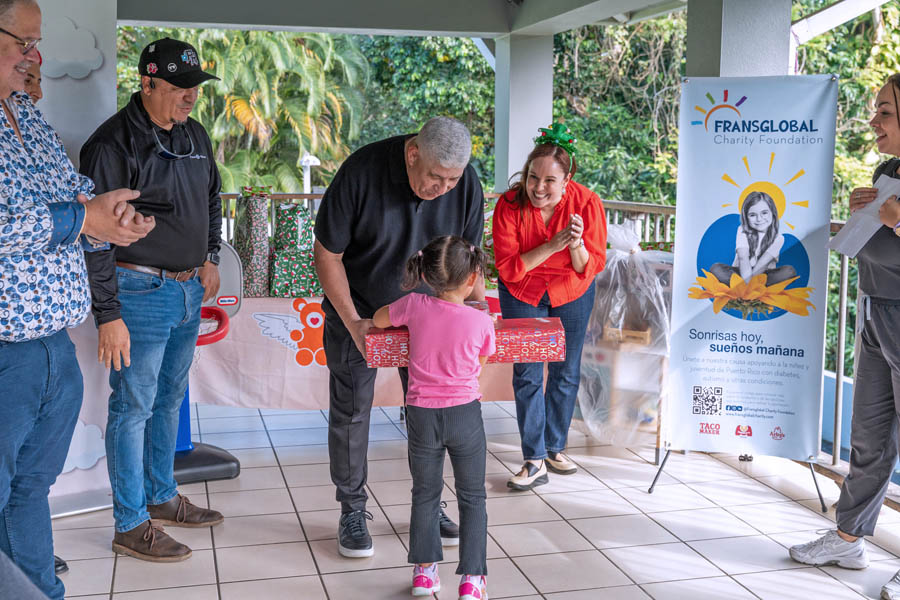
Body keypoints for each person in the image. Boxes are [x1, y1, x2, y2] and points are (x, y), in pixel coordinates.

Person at [0, 1, 155, 597]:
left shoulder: (27, 116)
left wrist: (110, 217)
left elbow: (76, 197)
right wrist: (81, 218)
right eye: (24, 43)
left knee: (29, 492)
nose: (36, 57)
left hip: (54, 349)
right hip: (6, 355)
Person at [79, 37, 225, 563]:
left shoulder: (194, 134)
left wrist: (210, 255)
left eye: (195, 87)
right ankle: (130, 523)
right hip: (137, 290)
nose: (190, 96)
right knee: (133, 406)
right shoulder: (111, 144)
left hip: (187, 287)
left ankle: (162, 496)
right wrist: (108, 313)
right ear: (147, 83)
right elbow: (95, 236)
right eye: (179, 87)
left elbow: (212, 196)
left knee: (169, 398)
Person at [314, 116, 484, 558]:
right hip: (361, 308)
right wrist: (354, 322)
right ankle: (352, 509)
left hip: (432, 318)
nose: (444, 189)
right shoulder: (362, 171)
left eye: (452, 180)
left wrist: (477, 311)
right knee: (352, 411)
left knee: (432, 413)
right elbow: (327, 254)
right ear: (413, 155)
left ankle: (430, 506)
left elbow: (470, 260)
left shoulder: (465, 184)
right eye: (436, 177)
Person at [788, 73, 900, 600]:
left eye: (885, 112)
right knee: (869, 437)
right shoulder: (888, 171)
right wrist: (867, 210)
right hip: (876, 312)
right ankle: (849, 539)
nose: (874, 121)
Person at [373, 236, 493, 600]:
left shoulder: (413, 305)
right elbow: (480, 362)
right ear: (471, 278)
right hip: (465, 414)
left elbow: (378, 319)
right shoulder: (481, 320)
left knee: (425, 493)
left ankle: (424, 573)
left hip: (422, 415)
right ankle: (472, 580)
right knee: (473, 496)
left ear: (425, 275)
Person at [492, 123, 607, 491]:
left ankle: (554, 447)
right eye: (532, 177)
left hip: (571, 291)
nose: (538, 188)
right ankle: (534, 458)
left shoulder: (587, 203)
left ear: (567, 180)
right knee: (527, 373)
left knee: (565, 372)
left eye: (549, 181)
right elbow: (510, 267)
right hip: (522, 292)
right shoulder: (509, 205)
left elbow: (589, 266)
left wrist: (574, 244)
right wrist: (553, 245)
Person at [709, 190, 796, 285]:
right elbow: (743, 258)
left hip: (762, 274)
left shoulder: (778, 238)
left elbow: (762, 265)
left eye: (764, 213)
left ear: (773, 213)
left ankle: (744, 287)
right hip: (741, 273)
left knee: (789, 271)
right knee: (716, 269)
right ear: (746, 217)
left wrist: (750, 286)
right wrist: (748, 285)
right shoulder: (742, 230)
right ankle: (749, 288)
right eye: (752, 215)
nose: (759, 219)